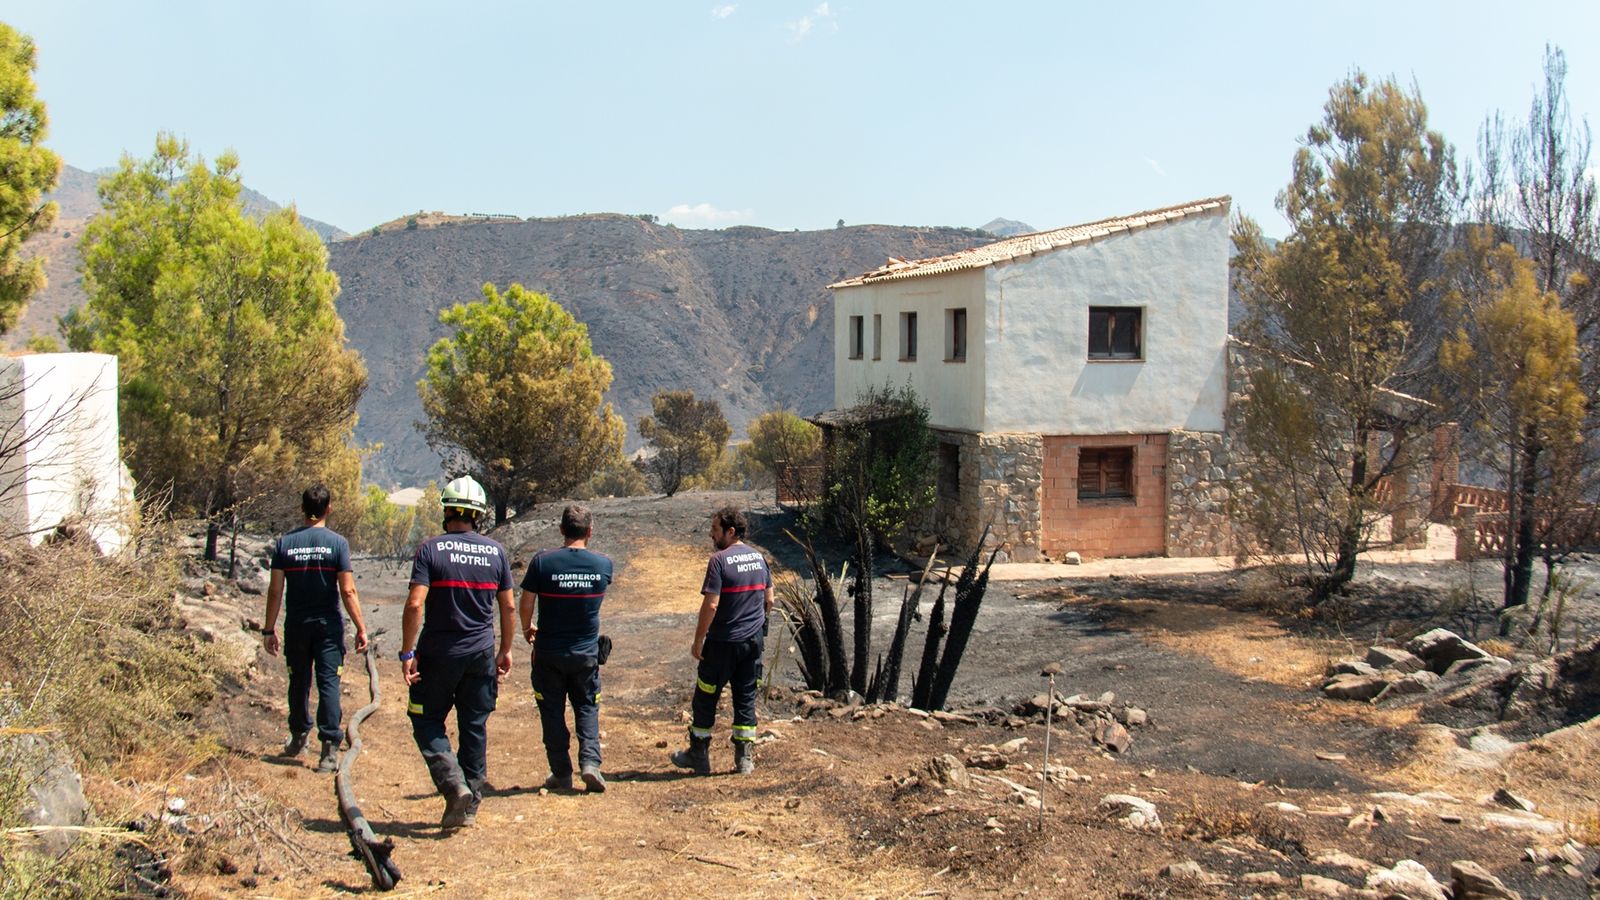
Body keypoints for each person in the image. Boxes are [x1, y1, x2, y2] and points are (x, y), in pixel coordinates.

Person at [398, 476, 515, 830]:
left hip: (438, 653)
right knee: (474, 725)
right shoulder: (496, 552)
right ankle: (470, 806)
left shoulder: (430, 549)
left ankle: (453, 785)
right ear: (478, 514)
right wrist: (506, 650)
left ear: (447, 510)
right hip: (480, 653)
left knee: (425, 718)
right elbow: (508, 608)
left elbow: (416, 604)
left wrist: (407, 652)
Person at [262, 484, 368, 774]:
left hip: (296, 625)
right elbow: (348, 591)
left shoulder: (285, 544)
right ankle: (329, 751)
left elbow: (275, 590)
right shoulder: (337, 544)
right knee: (328, 683)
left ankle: (298, 737)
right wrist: (361, 627)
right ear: (329, 508)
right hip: (328, 628)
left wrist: (268, 629)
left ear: (302, 508)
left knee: (298, 681)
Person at [669, 505, 772, 775]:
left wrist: (698, 639)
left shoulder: (719, 561)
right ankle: (744, 759)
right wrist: (757, 625)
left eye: (715, 530)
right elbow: (769, 599)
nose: (711, 536)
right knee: (745, 696)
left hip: (721, 643)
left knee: (705, 697)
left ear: (731, 531)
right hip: (752, 643)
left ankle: (699, 755)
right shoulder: (759, 558)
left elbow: (711, 605)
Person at [518, 504, 613, 793]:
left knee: (552, 713)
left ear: (561, 529)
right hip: (585, 654)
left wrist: (527, 628)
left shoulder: (542, 562)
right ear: (590, 531)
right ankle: (590, 763)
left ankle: (561, 772)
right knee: (586, 707)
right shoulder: (603, 565)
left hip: (548, 652)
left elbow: (526, 601)